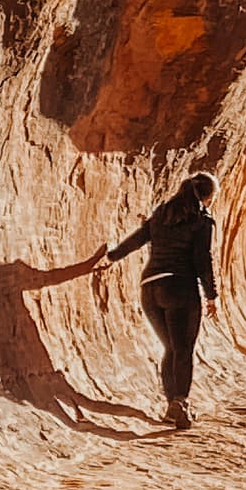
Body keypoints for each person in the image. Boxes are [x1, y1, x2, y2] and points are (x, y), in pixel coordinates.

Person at [100, 173, 219, 427]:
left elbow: (138, 239)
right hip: (180, 289)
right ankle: (181, 403)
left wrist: (111, 257)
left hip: (150, 289)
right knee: (183, 350)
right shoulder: (202, 220)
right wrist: (212, 296)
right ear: (208, 197)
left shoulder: (162, 212)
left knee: (171, 348)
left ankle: (171, 407)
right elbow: (203, 260)